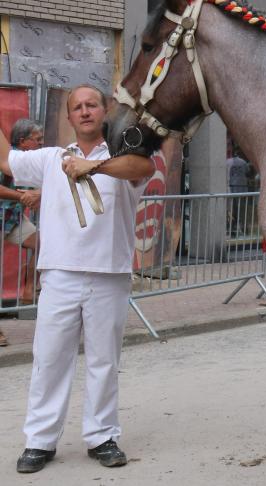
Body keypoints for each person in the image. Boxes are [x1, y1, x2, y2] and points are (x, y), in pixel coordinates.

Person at [0, 84, 155, 473]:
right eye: (77, 107)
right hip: (60, 275)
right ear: (69, 117)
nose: (85, 111)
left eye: (92, 105)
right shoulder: (52, 157)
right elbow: (7, 161)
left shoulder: (122, 155)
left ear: (104, 111)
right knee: (49, 360)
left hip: (109, 275)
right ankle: (40, 440)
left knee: (104, 361)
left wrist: (93, 166)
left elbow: (144, 169)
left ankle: (102, 436)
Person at [0, 120, 44, 346]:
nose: (41, 143)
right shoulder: (8, 158)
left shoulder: (31, 161)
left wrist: (39, 194)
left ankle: (28, 287)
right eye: (37, 139)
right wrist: (22, 196)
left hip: (12, 219)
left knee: (43, 243)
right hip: (3, 216)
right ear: (23, 141)